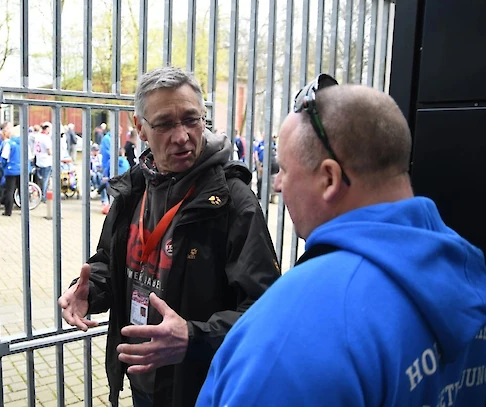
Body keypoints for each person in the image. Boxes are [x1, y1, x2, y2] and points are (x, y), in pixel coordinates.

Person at [196, 75, 486, 406]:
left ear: (330, 179)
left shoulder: (296, 331)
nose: (277, 185)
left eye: (285, 170)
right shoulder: (465, 270)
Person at [58, 66, 280, 407]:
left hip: (199, 387)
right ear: (140, 129)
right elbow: (111, 261)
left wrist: (192, 337)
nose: (182, 136)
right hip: (141, 376)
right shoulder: (134, 187)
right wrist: (90, 289)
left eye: (192, 119)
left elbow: (265, 309)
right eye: (164, 124)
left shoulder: (233, 203)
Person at [34, 122, 53, 202]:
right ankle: (44, 196)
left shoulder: (37, 137)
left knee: (40, 179)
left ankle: (39, 193)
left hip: (39, 159)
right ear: (47, 129)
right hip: (46, 161)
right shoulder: (46, 138)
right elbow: (49, 150)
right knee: (45, 179)